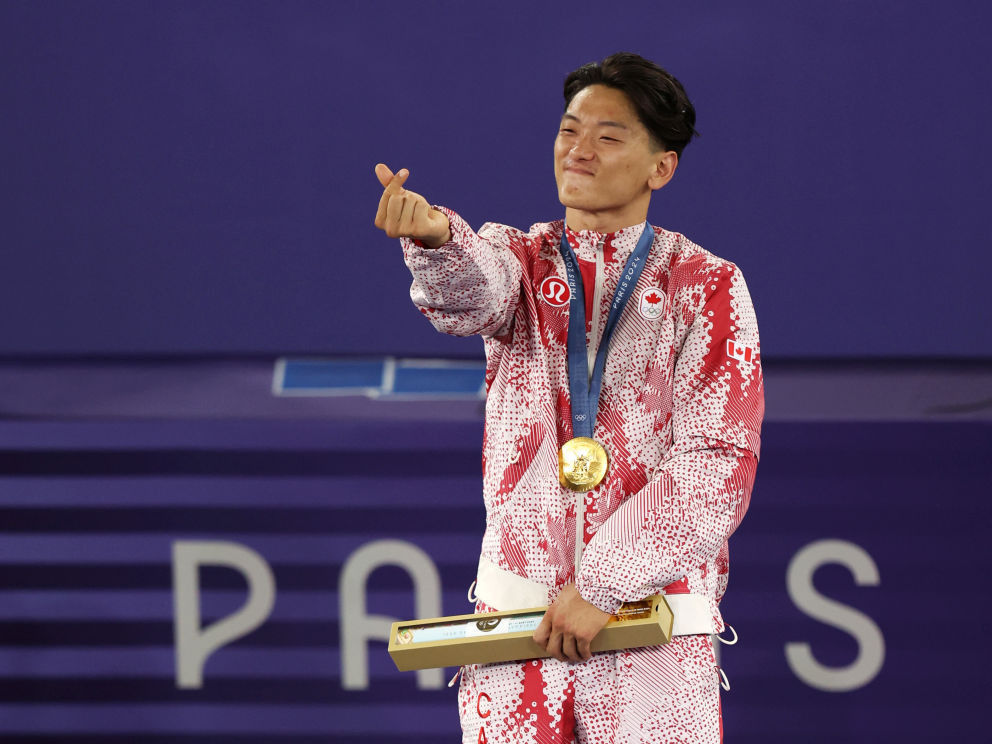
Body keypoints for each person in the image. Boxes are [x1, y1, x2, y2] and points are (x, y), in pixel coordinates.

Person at [374, 52, 763, 744]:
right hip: (515, 635)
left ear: (660, 166)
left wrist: (602, 585)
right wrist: (435, 238)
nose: (579, 150)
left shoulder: (706, 287)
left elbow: (718, 464)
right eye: (568, 130)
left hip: (651, 630)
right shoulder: (517, 261)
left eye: (609, 136)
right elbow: (470, 292)